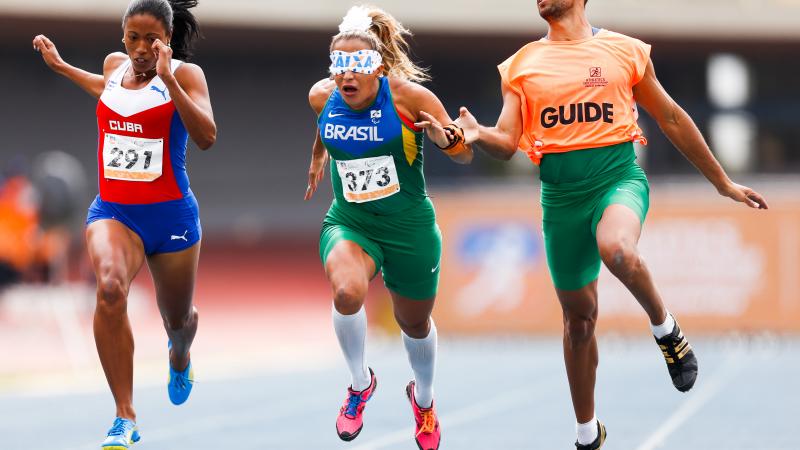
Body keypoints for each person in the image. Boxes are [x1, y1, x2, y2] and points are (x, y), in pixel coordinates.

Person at [453, 0, 769, 448]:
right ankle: (588, 433)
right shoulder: (521, 64)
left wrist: (721, 182)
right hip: (560, 199)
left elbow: (672, 117)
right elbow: (506, 142)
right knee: (579, 322)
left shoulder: (625, 51)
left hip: (616, 179)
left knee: (617, 249)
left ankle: (665, 328)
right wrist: (478, 133)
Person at [32, 0, 216, 448]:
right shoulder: (115, 67)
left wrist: (170, 78)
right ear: (123, 37)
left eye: (151, 40)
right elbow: (108, 90)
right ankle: (124, 415)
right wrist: (61, 67)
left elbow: (207, 136)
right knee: (110, 288)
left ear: (167, 41)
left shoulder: (187, 76)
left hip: (171, 216)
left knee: (178, 319)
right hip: (115, 211)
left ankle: (179, 354)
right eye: (132, 37)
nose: (140, 49)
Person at [305, 5, 472, 450]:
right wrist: (319, 154)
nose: (347, 76)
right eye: (339, 66)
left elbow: (463, 153)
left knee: (413, 324)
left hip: (409, 228)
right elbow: (324, 125)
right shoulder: (321, 97)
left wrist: (444, 139)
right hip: (351, 221)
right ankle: (360, 384)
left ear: (377, 66)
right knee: (346, 292)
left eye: (357, 65)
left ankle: (424, 399)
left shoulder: (408, 99)